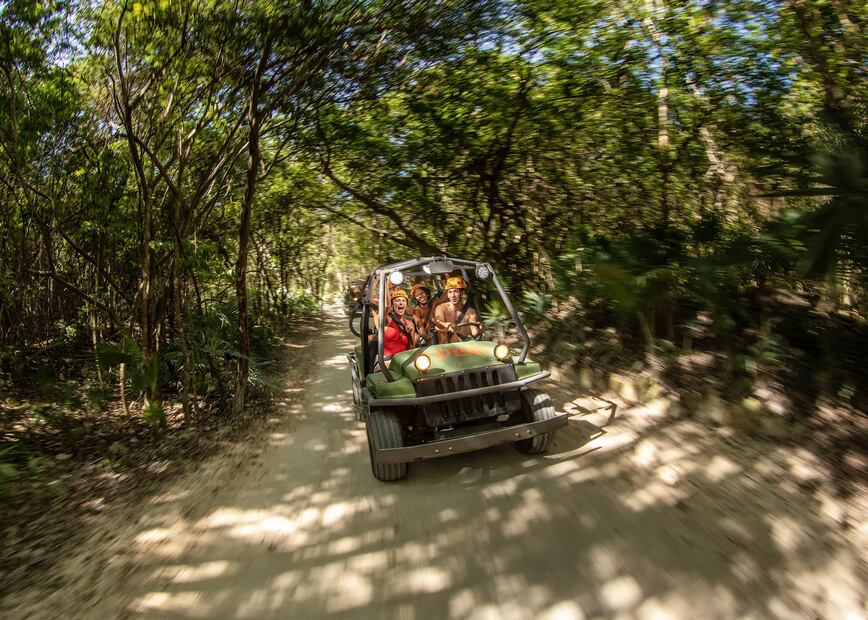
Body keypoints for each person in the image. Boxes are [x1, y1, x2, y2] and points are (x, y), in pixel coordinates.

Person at [433, 276, 482, 343]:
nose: (453, 295)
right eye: (450, 292)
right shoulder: (441, 308)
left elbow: (474, 331)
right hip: (446, 348)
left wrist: (481, 329)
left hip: (465, 347)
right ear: (447, 294)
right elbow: (438, 323)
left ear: (462, 293)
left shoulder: (470, 311)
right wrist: (447, 325)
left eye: (455, 291)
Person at [379, 288, 417, 357]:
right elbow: (386, 307)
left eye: (404, 301)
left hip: (402, 360)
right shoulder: (387, 319)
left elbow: (412, 348)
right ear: (392, 304)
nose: (401, 303)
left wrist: (410, 334)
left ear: (406, 304)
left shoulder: (410, 324)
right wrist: (386, 285)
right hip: (387, 360)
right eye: (397, 300)